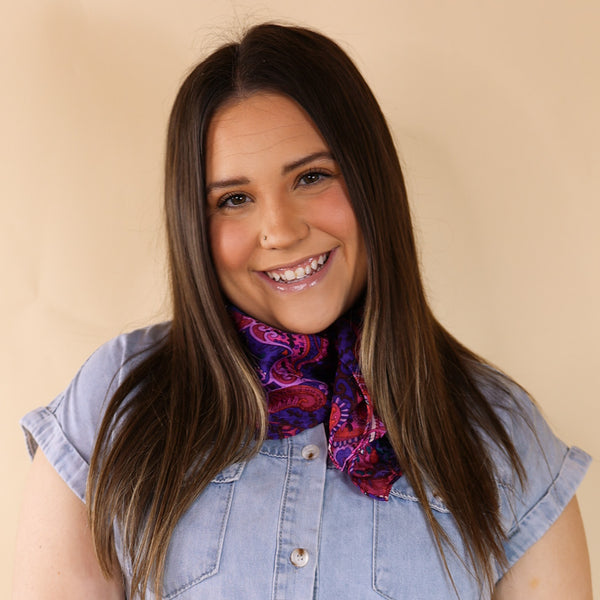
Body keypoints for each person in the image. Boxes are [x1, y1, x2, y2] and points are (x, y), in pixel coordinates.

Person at [13, 23, 592, 600]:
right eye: (234, 199)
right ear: (195, 224)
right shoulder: (114, 405)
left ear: (372, 183)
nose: (281, 231)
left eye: (311, 177)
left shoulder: (502, 437)